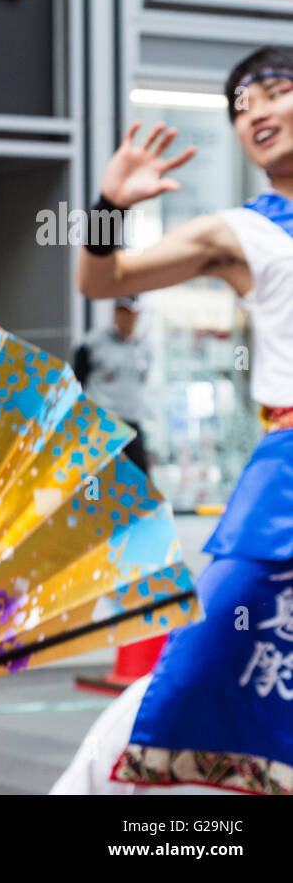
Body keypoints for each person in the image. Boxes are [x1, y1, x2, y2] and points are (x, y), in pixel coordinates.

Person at [54, 46, 293, 794]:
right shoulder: (242, 232)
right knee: (201, 658)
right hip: (285, 483)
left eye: (274, 92)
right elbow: (105, 278)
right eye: (240, 106)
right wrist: (109, 208)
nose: (254, 112)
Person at [72, 296, 151, 474]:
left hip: (132, 422)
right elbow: (77, 380)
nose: (127, 318)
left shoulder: (144, 348)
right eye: (122, 312)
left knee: (140, 481)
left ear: (137, 316)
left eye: (131, 313)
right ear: (115, 314)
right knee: (98, 479)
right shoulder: (93, 343)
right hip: (103, 422)